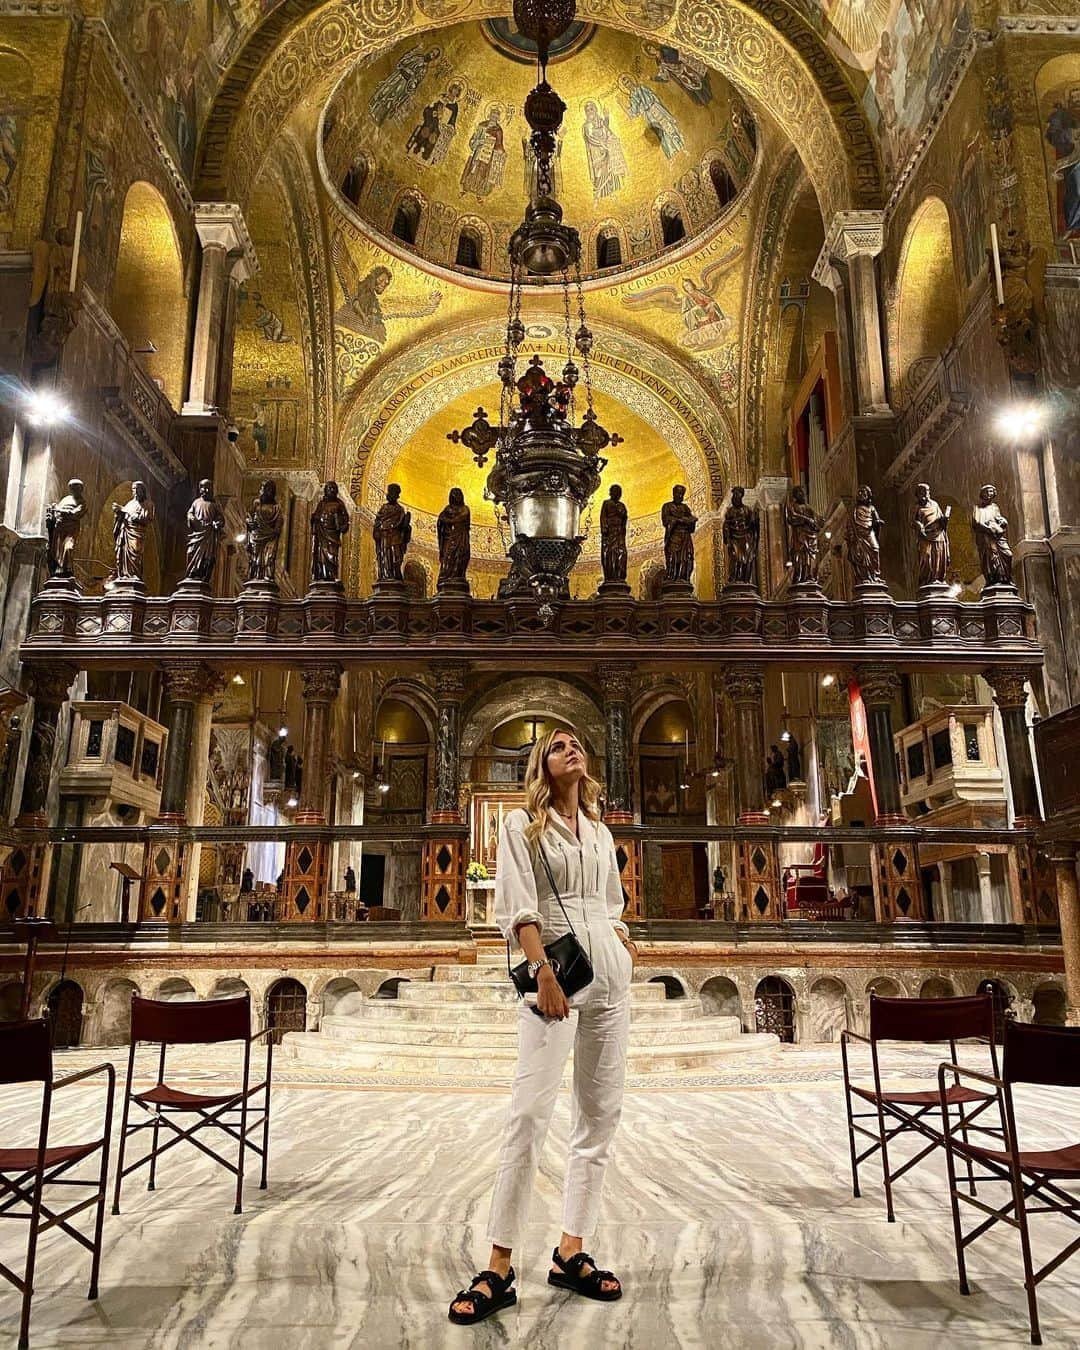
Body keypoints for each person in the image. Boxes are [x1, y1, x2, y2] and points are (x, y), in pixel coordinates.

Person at [449, 725, 636, 1325]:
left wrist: (625, 946)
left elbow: (611, 903)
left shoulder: (602, 833)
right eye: (557, 745)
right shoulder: (518, 828)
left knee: (599, 1117)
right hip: (555, 977)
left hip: (609, 976)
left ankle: (571, 1250)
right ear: (542, 764)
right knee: (529, 1115)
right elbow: (518, 905)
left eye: (577, 742)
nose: (570, 749)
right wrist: (542, 970)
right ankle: (499, 1265)